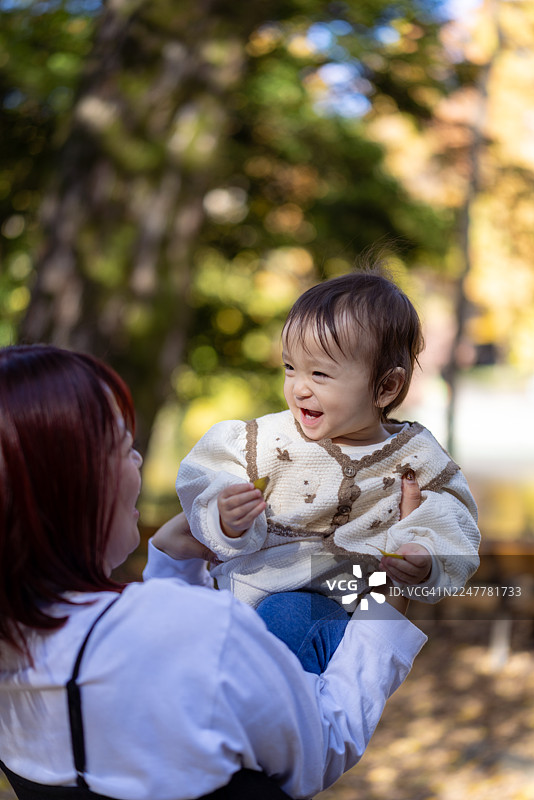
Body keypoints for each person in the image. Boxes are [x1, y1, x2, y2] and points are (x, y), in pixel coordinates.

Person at [0, 343, 427, 800]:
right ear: (69, 484)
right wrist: (385, 601)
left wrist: (172, 570)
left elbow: (141, 706)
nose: (138, 459)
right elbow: (322, 743)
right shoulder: (209, 633)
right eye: (123, 447)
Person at [176, 267, 481, 673]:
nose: (299, 387)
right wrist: (225, 514)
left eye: (319, 373)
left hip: (339, 610)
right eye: (290, 368)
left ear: (386, 387)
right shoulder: (268, 439)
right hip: (248, 593)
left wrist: (423, 556)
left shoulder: (415, 456)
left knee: (289, 619)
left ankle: (267, 712)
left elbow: (454, 518)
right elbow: (207, 472)